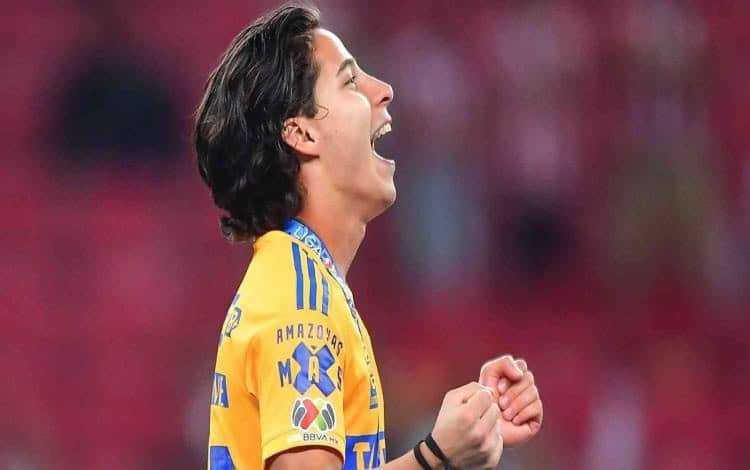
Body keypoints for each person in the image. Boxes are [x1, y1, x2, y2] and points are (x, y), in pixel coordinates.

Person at [194, 4, 543, 469]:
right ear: (301, 133)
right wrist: (436, 455)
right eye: (350, 82)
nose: (384, 90)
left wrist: (467, 436)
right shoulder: (299, 300)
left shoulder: (304, 282)